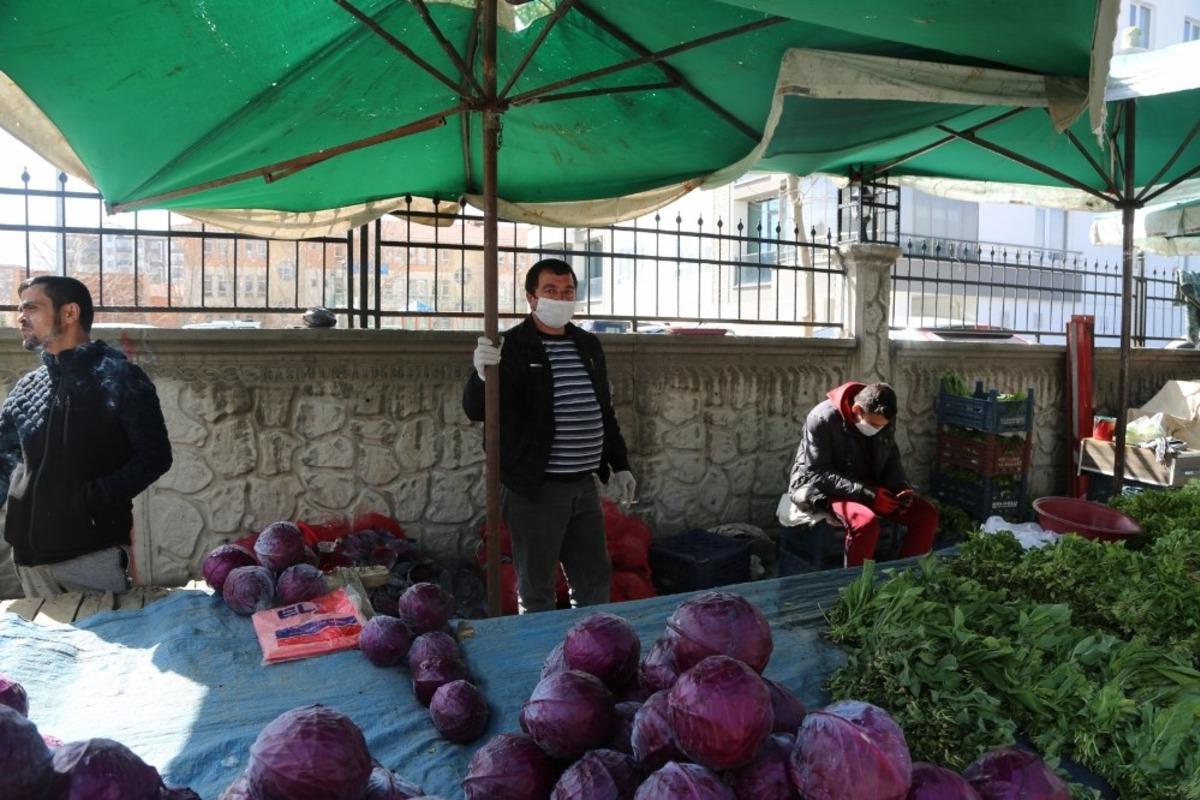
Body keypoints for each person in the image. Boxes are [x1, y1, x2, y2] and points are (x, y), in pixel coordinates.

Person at [463, 258, 635, 613]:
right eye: (551, 290)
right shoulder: (512, 346)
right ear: (532, 298)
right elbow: (476, 409)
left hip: (584, 485)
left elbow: (604, 410)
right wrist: (480, 375)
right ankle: (540, 646)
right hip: (536, 489)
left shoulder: (587, 344)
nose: (561, 298)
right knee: (537, 587)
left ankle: (591, 640)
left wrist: (620, 465)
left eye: (568, 291)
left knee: (593, 580)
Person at [0, 276, 172, 599]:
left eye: (32, 308)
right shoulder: (27, 387)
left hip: (92, 558)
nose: (21, 317)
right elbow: (4, 460)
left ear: (69, 313)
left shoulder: (118, 377)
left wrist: (88, 501)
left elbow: (155, 456)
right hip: (30, 562)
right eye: (20, 309)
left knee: (104, 634)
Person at [782, 381, 937, 567]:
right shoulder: (821, 418)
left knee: (926, 515)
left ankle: (908, 575)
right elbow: (817, 472)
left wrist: (899, 487)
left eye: (882, 426)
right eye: (873, 424)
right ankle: (856, 582)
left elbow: (890, 457)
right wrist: (867, 494)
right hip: (824, 488)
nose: (877, 429)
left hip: (869, 486)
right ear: (856, 410)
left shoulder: (884, 417)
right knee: (865, 523)